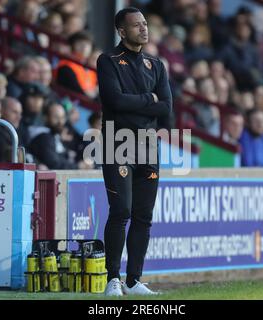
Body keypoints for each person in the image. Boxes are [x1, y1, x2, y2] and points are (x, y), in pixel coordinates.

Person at [97, 7, 172, 296]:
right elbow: (114, 100)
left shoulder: (157, 64)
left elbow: (166, 107)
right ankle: (112, 279)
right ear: (121, 31)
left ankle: (133, 280)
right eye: (136, 25)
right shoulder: (108, 61)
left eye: (145, 23)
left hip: (149, 146)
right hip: (118, 143)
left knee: (143, 215)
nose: (143, 28)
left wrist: (142, 103)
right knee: (121, 211)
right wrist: (149, 99)